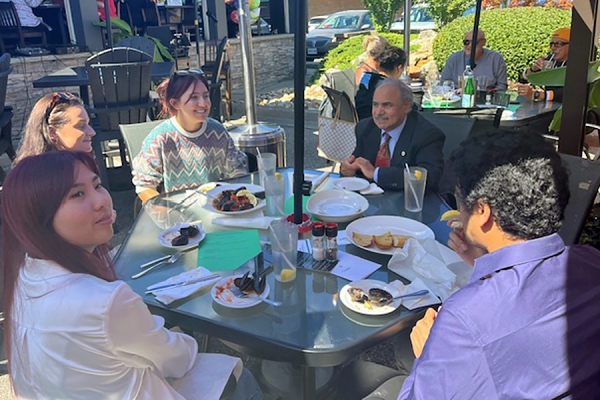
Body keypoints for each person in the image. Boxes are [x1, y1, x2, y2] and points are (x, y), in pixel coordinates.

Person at [2, 151, 263, 399]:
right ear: (39, 218)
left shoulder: (24, 276)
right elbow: (177, 360)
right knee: (243, 379)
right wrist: (171, 334)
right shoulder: (105, 301)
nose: (102, 201)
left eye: (97, 185)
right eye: (77, 194)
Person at [373, 130, 600, 399]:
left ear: (482, 212)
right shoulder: (591, 261)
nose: (459, 211)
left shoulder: (465, 320)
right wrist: (485, 263)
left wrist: (429, 354)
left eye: (459, 201)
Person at [132, 70, 248, 203]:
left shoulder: (218, 132)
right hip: (175, 210)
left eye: (206, 96)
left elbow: (237, 170)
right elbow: (144, 186)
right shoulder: (160, 138)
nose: (203, 103)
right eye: (194, 97)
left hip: (215, 207)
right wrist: (165, 209)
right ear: (175, 103)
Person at [341, 78, 445, 192]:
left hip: (406, 199)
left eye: (387, 105)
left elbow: (429, 178)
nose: (378, 112)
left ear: (406, 106)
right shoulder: (365, 128)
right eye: (375, 105)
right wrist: (348, 169)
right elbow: (358, 165)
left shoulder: (427, 135)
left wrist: (376, 173)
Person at [14, 92, 96, 165]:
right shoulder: (42, 176)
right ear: (52, 132)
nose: (92, 132)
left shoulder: (81, 167)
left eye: (88, 124)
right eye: (81, 126)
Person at [440, 29, 507, 91]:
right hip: (457, 97)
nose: (470, 45)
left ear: (483, 42)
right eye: (466, 42)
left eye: (474, 42)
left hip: (486, 98)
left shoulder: (496, 59)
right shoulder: (453, 59)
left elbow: (502, 87)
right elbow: (443, 85)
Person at [355, 43, 407, 120]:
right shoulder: (391, 88)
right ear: (399, 68)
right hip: (379, 124)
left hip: (362, 121)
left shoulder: (367, 78)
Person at [518, 27, 569, 102]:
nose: (553, 48)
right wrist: (533, 69)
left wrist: (537, 94)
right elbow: (521, 79)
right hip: (549, 106)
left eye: (558, 44)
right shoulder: (550, 60)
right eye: (551, 44)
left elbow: (569, 92)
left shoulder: (577, 64)